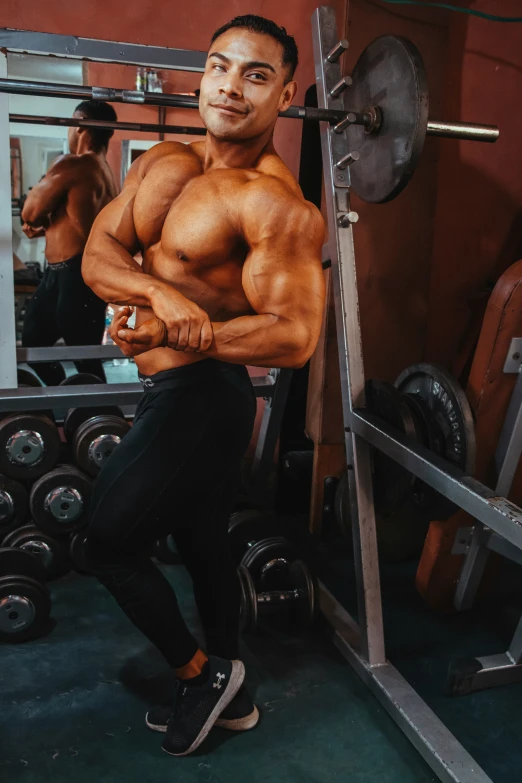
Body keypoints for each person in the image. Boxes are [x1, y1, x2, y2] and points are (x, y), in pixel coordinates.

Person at [82, 15, 325, 758]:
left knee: (104, 542)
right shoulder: (163, 161)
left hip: (207, 398)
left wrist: (185, 330)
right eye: (221, 66)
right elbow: (100, 250)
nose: (231, 85)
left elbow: (294, 335)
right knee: (202, 544)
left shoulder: (274, 203)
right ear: (202, 76)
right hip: (168, 392)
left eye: (256, 75)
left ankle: (200, 673)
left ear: (284, 93)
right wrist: (163, 301)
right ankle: (237, 699)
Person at [21, 100, 119, 385]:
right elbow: (81, 225)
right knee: (36, 342)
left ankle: (102, 422)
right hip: (66, 275)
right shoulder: (105, 172)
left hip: (75, 278)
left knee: (85, 359)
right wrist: (48, 227)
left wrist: (40, 217)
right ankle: (68, 398)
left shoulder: (71, 165)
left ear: (80, 124)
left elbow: (29, 212)